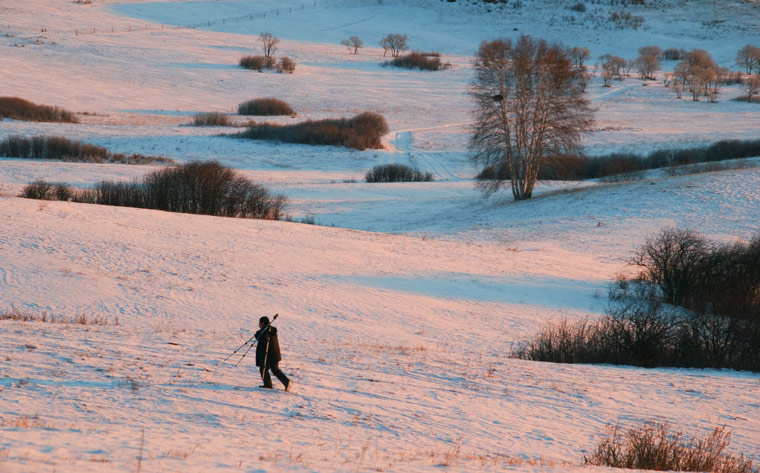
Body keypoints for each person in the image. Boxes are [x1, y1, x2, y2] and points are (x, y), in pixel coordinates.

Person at [255, 316, 291, 391]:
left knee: (263, 368)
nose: (259, 325)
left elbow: (263, 340)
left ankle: (268, 384)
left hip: (268, 355)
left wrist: (257, 335)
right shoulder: (270, 330)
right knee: (274, 369)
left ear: (262, 323)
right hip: (273, 354)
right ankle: (286, 382)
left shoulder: (266, 331)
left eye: (259, 323)